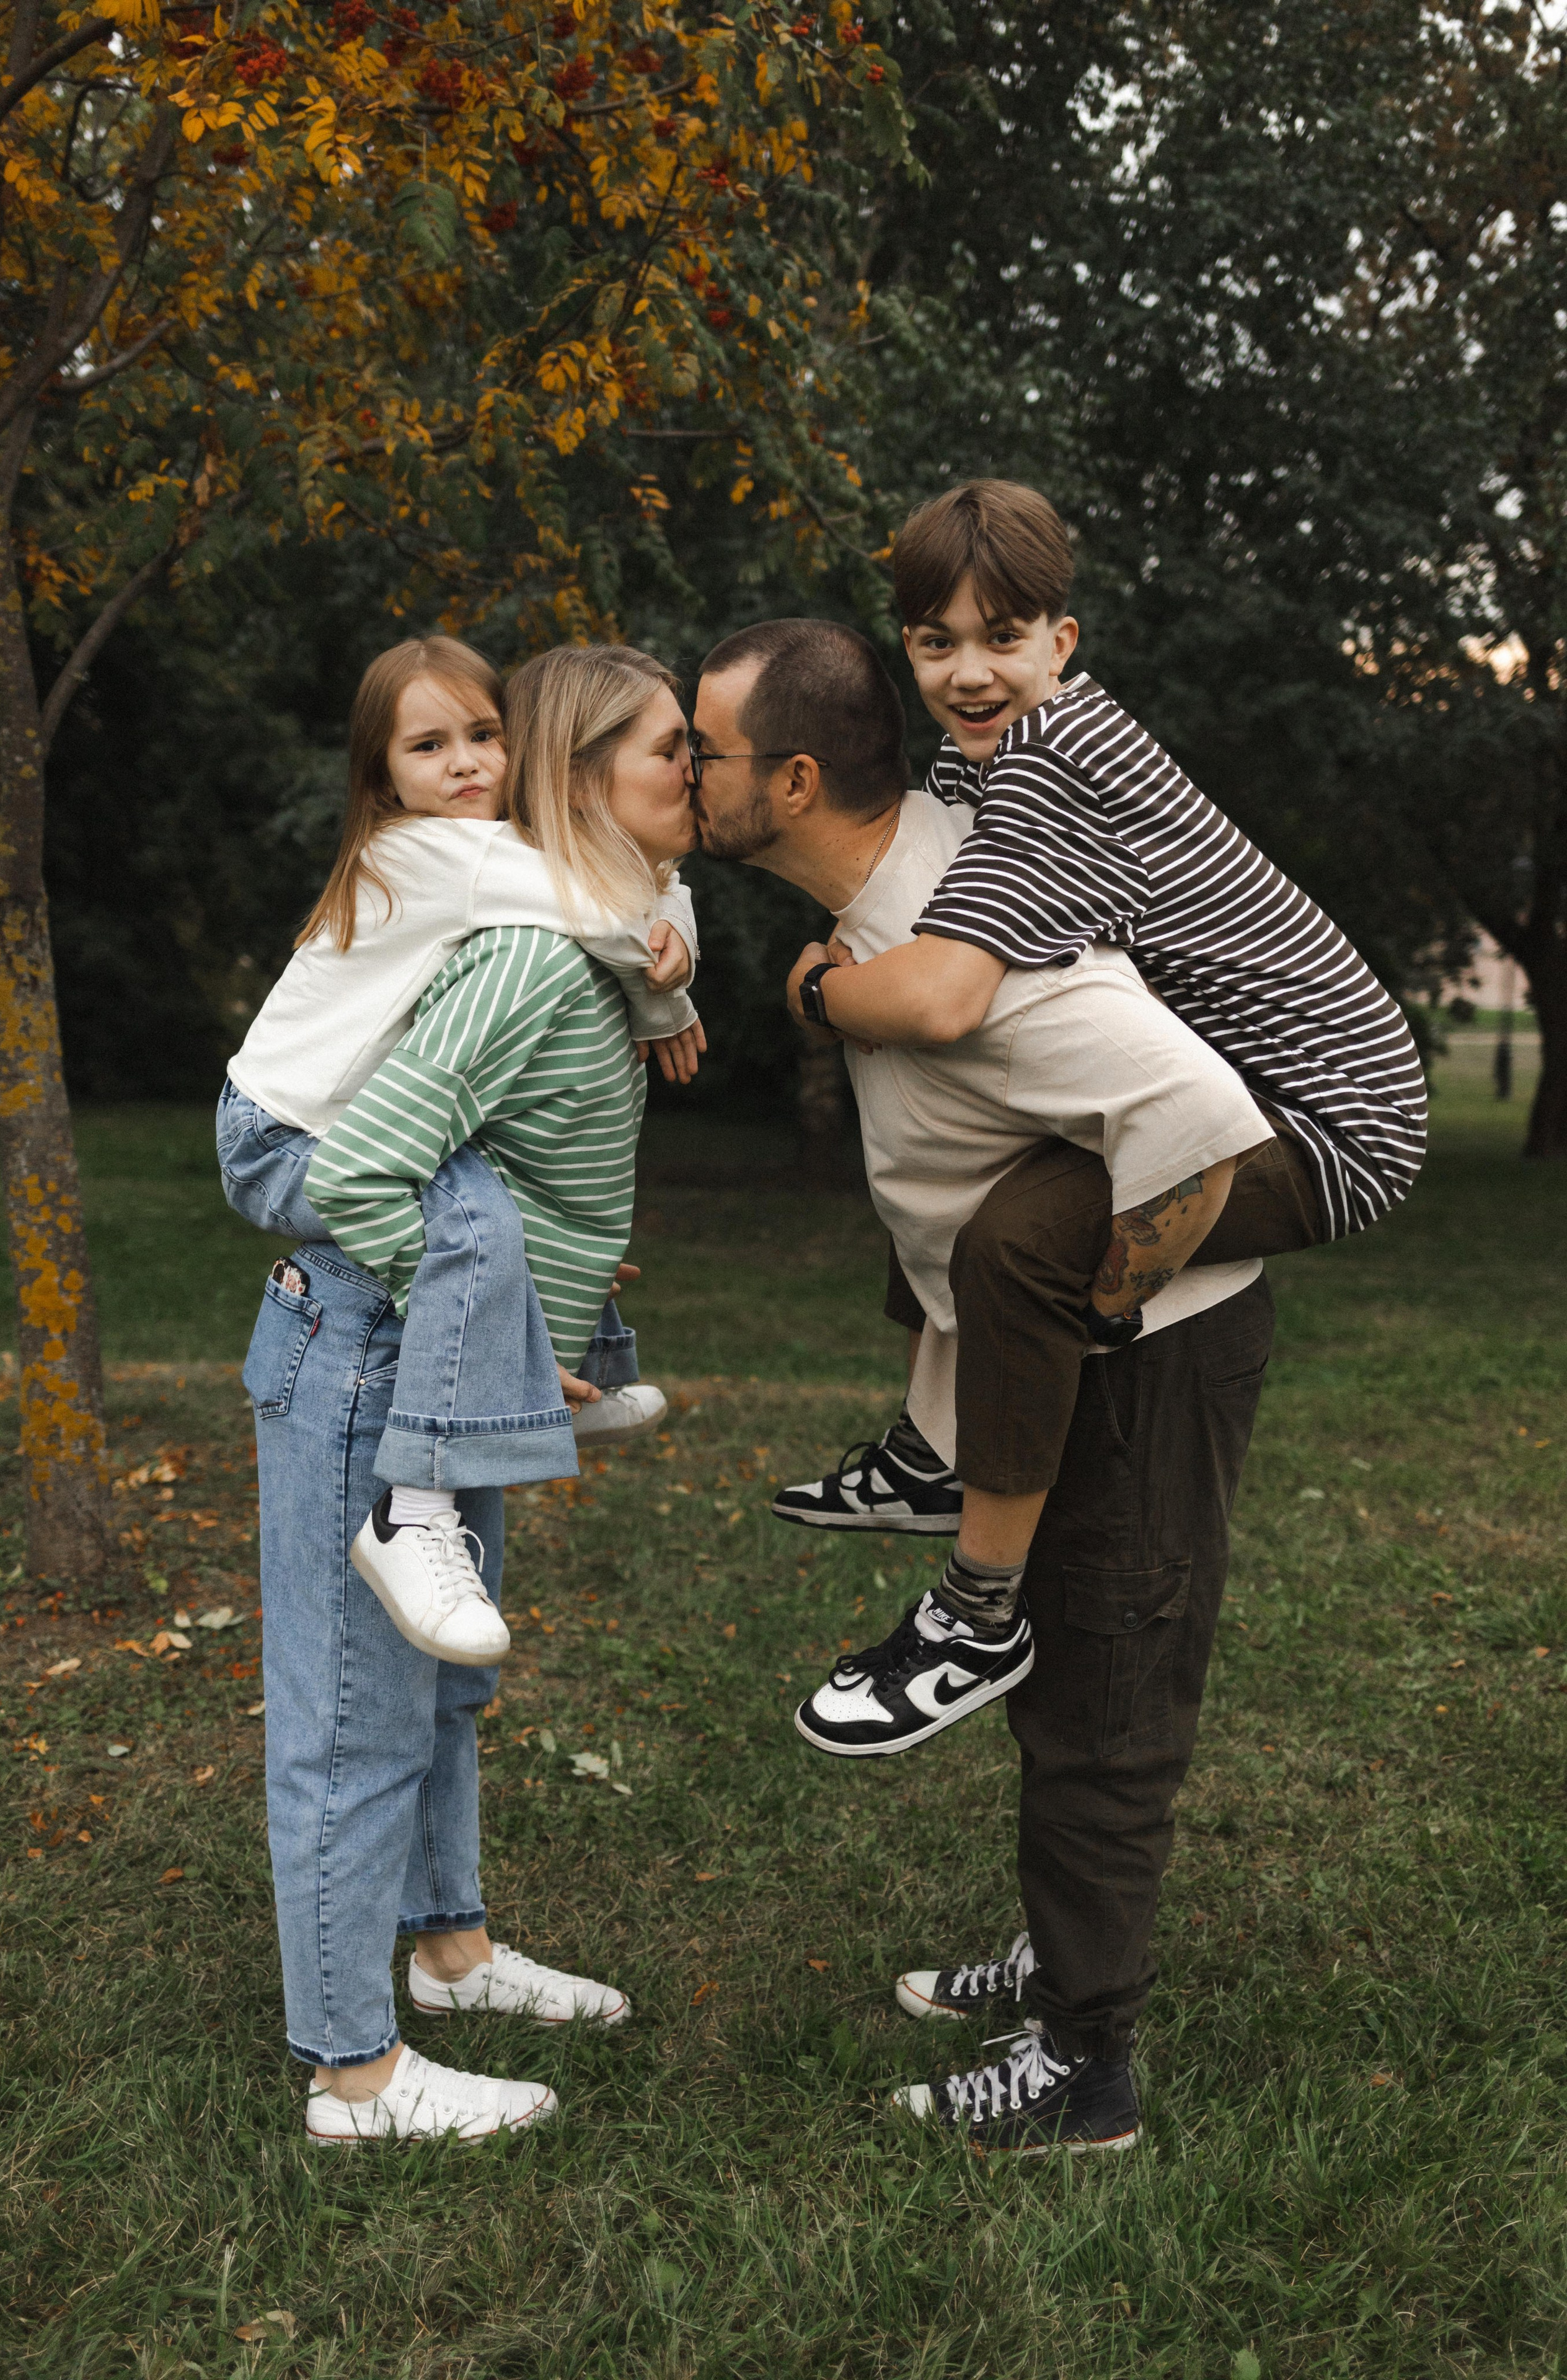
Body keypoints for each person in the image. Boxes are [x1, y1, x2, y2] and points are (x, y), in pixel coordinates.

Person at [689, 609, 1419, 2153]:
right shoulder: (897, 904)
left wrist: (831, 1006)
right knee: (1065, 1665)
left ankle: (1084, 2072)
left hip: (1158, 1322)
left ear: (797, 778)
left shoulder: (970, 921)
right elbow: (938, 1183)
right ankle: (1062, 1947)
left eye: (703, 752)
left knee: (1104, 1682)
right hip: (1059, 1321)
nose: (686, 774)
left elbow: (1183, 1107)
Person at [767, 482, 1424, 1735]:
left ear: (1059, 644)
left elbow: (947, 995)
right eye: (934, 641)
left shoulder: (1043, 774)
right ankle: (931, 1447)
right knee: (966, 1149)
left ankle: (974, 1615)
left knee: (1020, 1241)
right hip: (1283, 1080)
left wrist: (815, 988)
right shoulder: (1029, 753)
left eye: (1001, 637)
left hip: (1327, 1119)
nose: (968, 671)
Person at [227, 641, 700, 2144]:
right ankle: (353, 2076)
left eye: (482, 735)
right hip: (361, 1343)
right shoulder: (494, 915)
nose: (698, 774)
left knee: (438, 1700)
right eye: (668, 749)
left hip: (407, 1342)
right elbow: (366, 1175)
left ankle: (451, 1955)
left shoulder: (543, 920)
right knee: (357, 1720)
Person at [223, 632, 703, 1665]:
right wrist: (668, 983)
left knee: (518, 1189)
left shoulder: (487, 855)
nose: (468, 765)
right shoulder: (435, 853)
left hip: (326, 1117)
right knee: (473, 1216)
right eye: (428, 747)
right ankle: (418, 1503)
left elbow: (620, 881)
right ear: (383, 780)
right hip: (278, 1133)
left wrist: (676, 934)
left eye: (485, 735)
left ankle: (552, 1378)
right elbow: (600, 899)